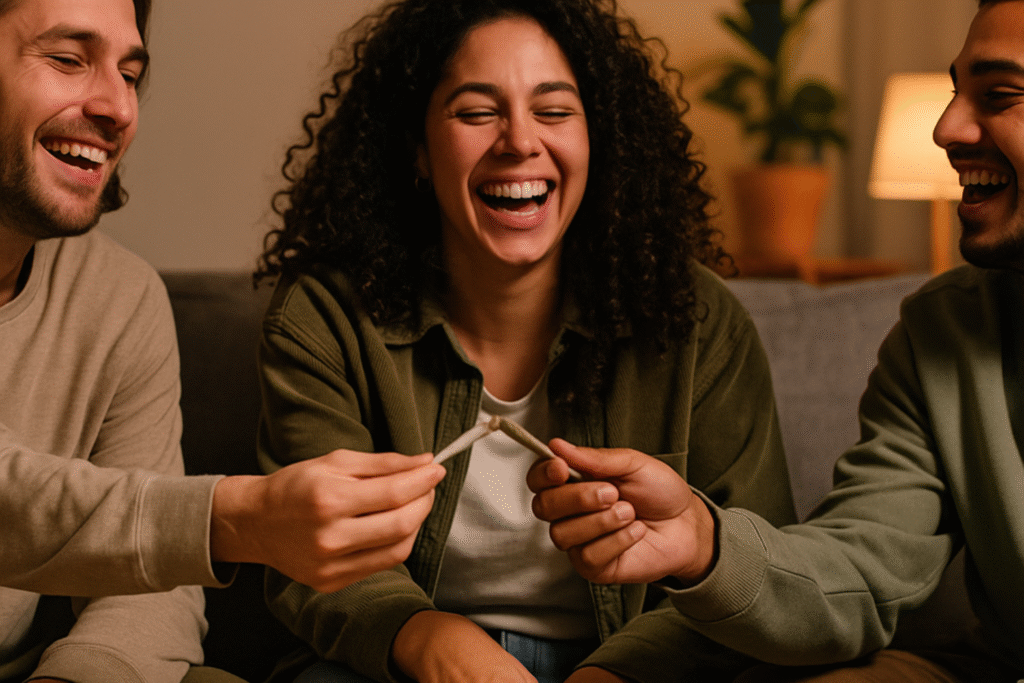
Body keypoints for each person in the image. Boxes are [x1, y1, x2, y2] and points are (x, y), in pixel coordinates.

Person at [252, 0, 797, 681]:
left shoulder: (694, 319)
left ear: (600, 139)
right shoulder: (326, 315)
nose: (518, 141)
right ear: (417, 149)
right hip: (402, 665)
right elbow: (306, 555)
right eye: (478, 112)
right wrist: (425, 637)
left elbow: (755, 565)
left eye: (554, 111)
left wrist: (614, 674)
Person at [528, 0, 1024, 681]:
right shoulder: (942, 333)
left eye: (1001, 95)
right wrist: (703, 544)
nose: (947, 127)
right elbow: (860, 567)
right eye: (955, 92)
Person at [0, 0, 445, 681]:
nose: (118, 107)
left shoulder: (120, 298)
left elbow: (155, 590)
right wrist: (237, 517)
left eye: (129, 72)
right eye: (67, 60)